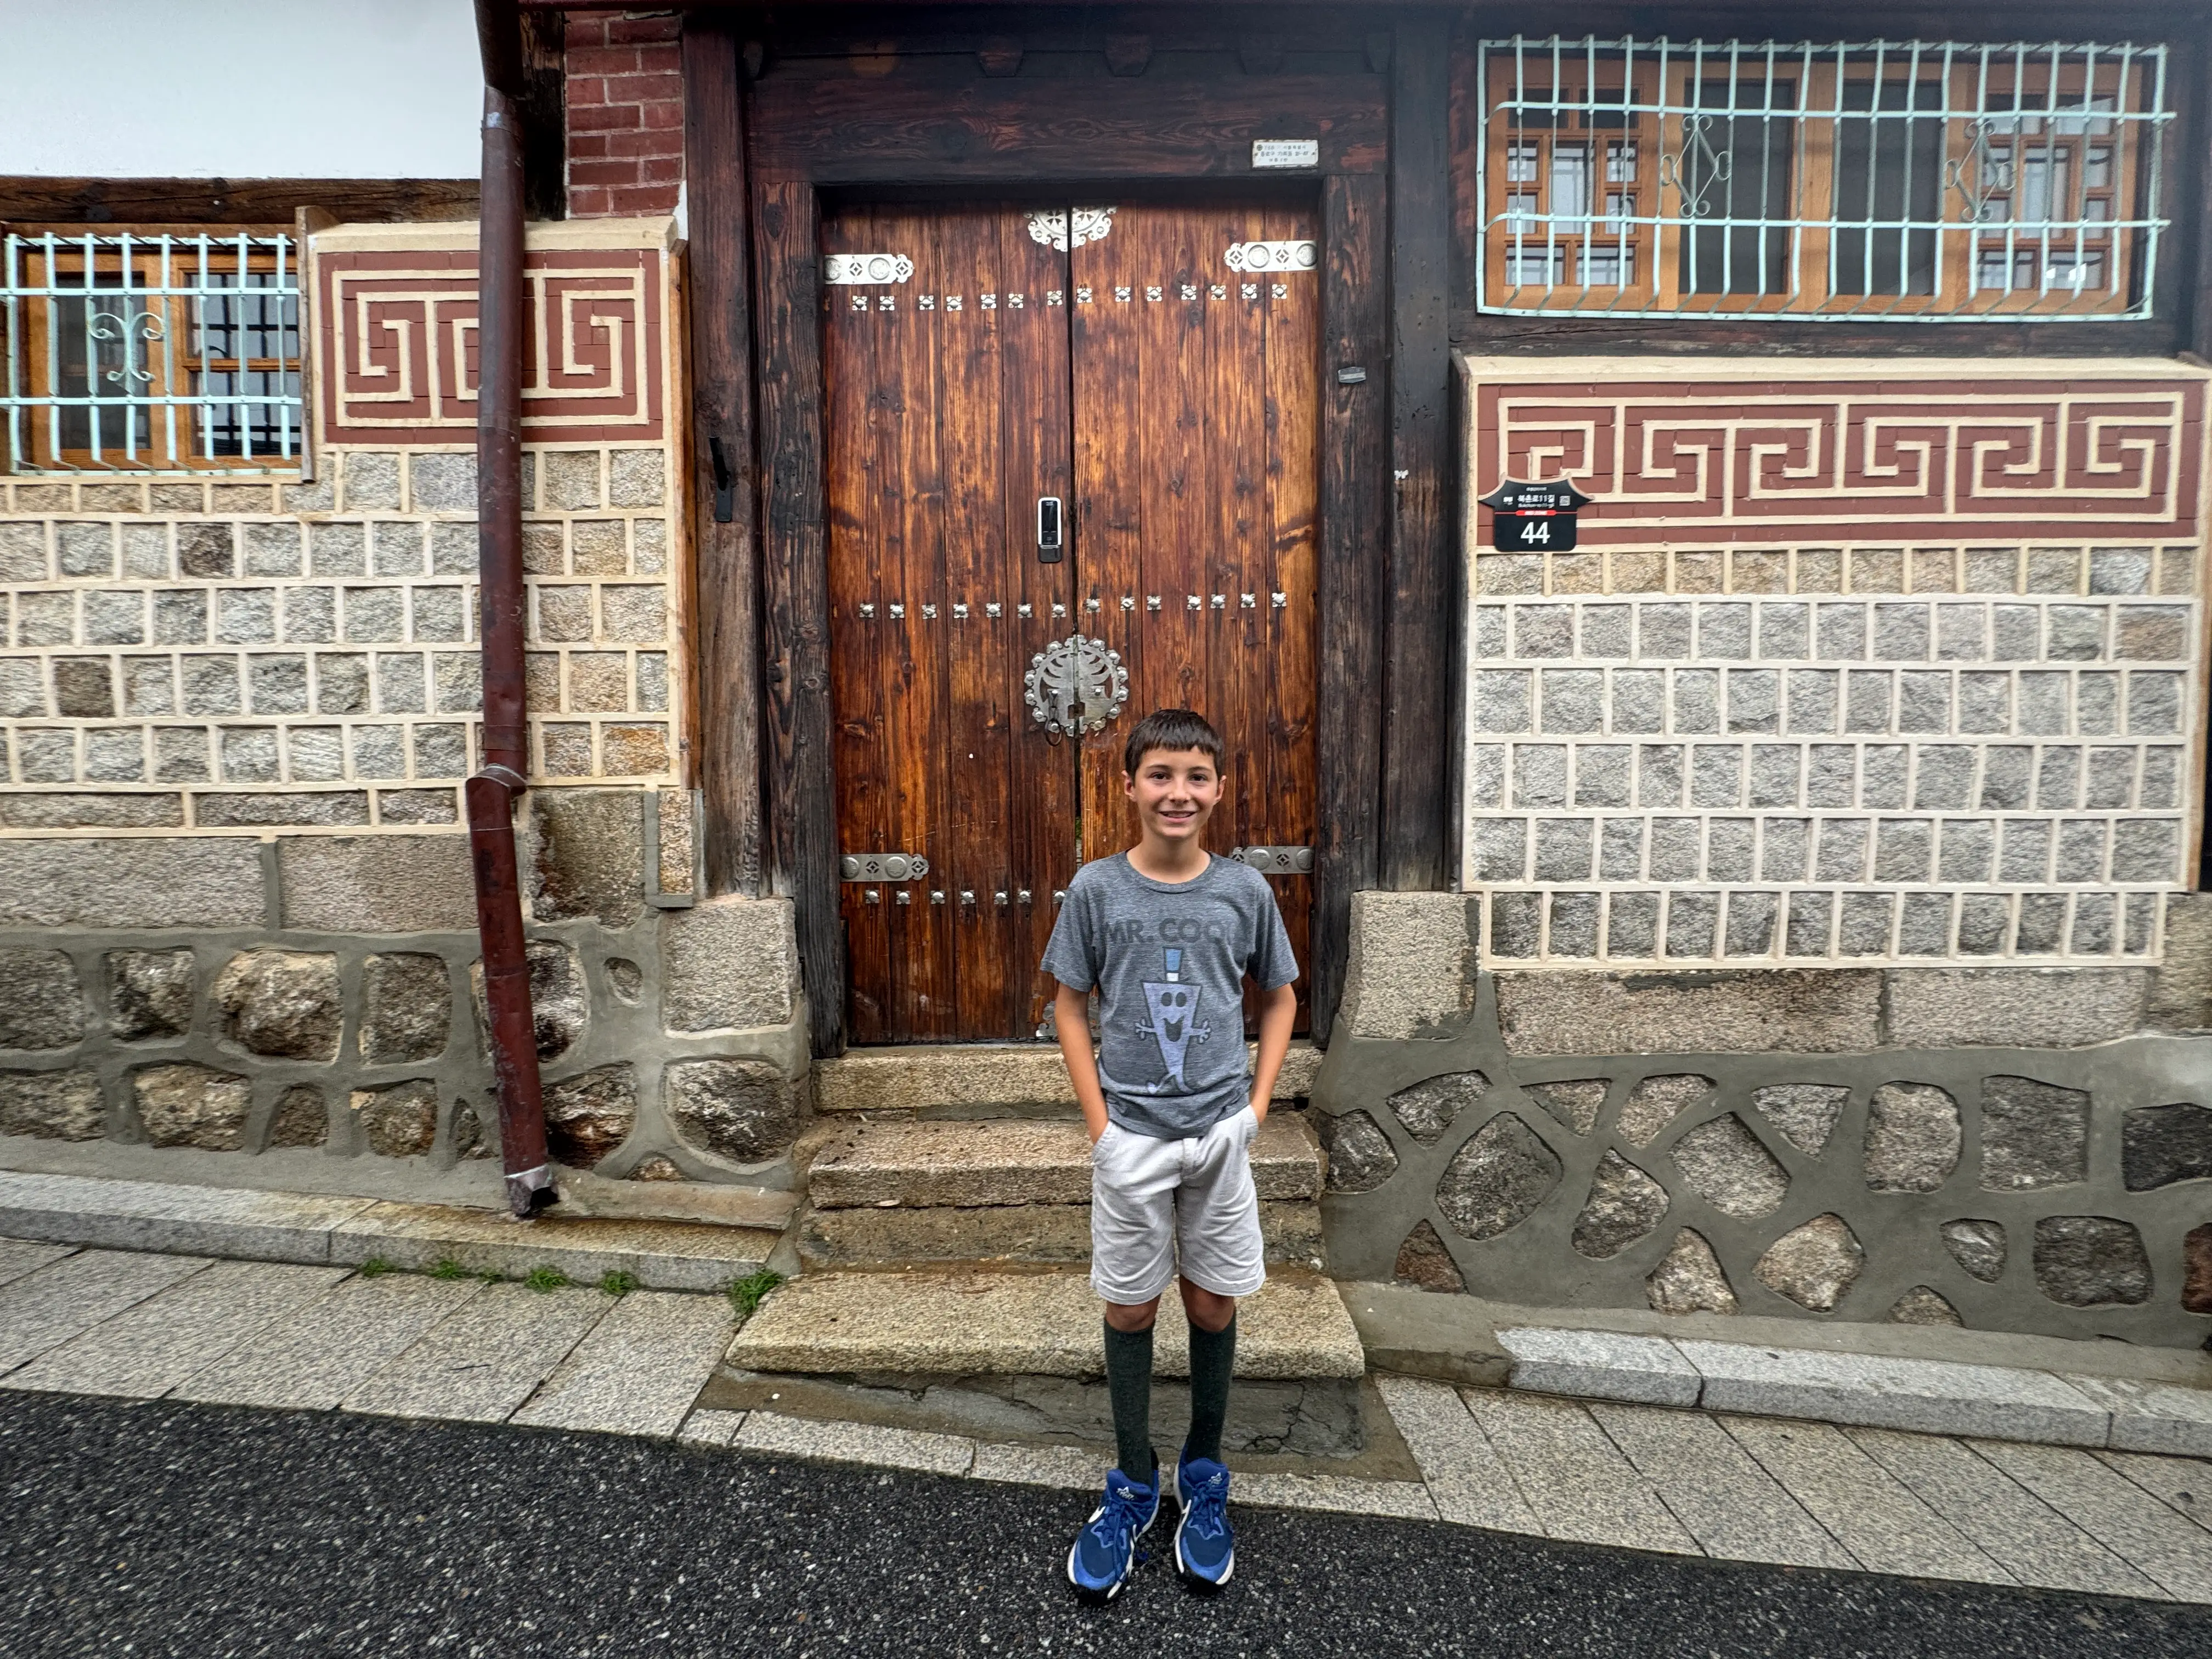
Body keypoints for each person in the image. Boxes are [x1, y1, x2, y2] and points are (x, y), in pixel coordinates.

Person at [1042, 708, 1299, 1599]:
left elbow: (1280, 998)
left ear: (1219, 788)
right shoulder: (1098, 890)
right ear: (1129, 787)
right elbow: (1070, 1006)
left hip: (1221, 1132)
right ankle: (1130, 1478)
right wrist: (1100, 1129)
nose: (1178, 793)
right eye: (1160, 775)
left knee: (1215, 1300)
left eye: (1195, 776)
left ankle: (1203, 1471)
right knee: (1129, 1309)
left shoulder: (1244, 892)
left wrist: (1256, 1111)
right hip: (1133, 1140)